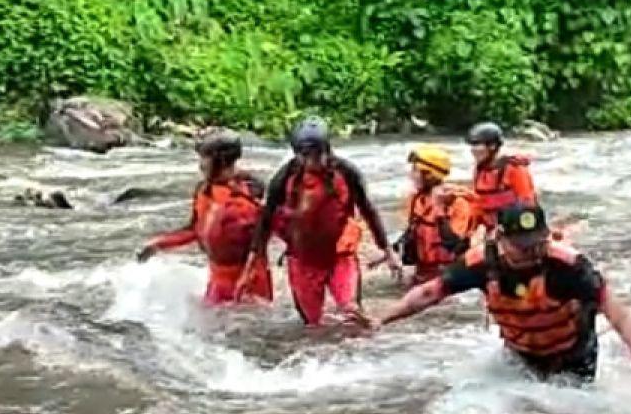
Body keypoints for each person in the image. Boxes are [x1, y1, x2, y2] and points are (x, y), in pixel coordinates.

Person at [350, 202, 631, 382]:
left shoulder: (567, 264)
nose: (532, 253)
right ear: (500, 238)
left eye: (537, 243)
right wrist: (383, 319)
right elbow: (429, 294)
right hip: (521, 352)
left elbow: (613, 308)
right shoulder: (479, 263)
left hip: (573, 353)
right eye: (522, 247)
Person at [242, 116, 400, 326]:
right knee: (312, 326)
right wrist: (251, 263)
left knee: (352, 314)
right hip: (302, 261)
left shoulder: (346, 173)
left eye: (316, 155)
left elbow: (368, 210)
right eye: (305, 156)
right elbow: (266, 219)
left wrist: (388, 251)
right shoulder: (285, 178)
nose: (311, 161)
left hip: (339, 257)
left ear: (327, 149)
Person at [136, 130, 273, 305]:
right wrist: (157, 244)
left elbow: (263, 240)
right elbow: (194, 229)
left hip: (249, 282)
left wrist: (248, 275)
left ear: (222, 162)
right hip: (218, 279)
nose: (200, 165)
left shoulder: (248, 200)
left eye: (205, 158)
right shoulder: (204, 191)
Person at [394, 145, 477, 287]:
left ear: (429, 175)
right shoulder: (415, 199)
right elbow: (411, 232)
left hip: (450, 276)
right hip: (422, 273)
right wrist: (389, 252)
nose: (411, 175)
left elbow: (453, 244)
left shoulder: (458, 203)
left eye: (416, 170)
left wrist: (439, 209)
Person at [466, 122, 537, 230]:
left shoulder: (515, 168)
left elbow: (527, 203)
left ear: (492, 146)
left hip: (514, 228)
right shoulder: (479, 169)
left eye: (477, 144)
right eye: (472, 145)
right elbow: (478, 203)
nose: (473, 150)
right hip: (488, 228)